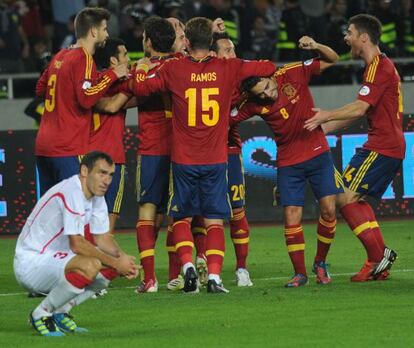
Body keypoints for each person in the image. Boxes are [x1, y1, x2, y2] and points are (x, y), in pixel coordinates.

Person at [129, 17, 276, 293]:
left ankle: (186, 268)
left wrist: (140, 69)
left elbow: (141, 88)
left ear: (185, 42)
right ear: (211, 43)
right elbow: (268, 67)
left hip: (183, 159)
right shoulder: (227, 67)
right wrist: (243, 70)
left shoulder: (174, 68)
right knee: (214, 220)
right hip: (215, 159)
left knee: (182, 218)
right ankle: (215, 278)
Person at [231, 36, 342, 287]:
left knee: (329, 210)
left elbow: (333, 59)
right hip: (288, 161)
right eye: (261, 94)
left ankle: (320, 263)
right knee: (292, 216)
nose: (268, 95)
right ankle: (300, 273)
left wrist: (316, 46)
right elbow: (226, 117)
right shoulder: (252, 103)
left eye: (268, 88)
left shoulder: (292, 73)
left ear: (271, 77)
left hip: (317, 151)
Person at [304, 14, 404, 282]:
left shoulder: (377, 67)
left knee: (345, 198)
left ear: (363, 37)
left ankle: (376, 257)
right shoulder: (377, 67)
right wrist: (325, 128)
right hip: (385, 144)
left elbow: (359, 107)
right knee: (351, 199)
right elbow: (361, 111)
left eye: (349, 33)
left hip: (382, 146)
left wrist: (326, 115)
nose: (346, 38)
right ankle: (379, 259)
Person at [14, 151, 138, 337]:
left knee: (111, 264)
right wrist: (115, 262)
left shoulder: (96, 195)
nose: (107, 180)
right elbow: (77, 244)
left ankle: (60, 311)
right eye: (101, 173)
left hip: (55, 259)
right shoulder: (71, 191)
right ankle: (41, 313)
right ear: (85, 171)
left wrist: (122, 259)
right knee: (91, 264)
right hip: (31, 262)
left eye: (110, 175)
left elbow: (102, 237)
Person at [35, 7, 128, 197]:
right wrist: (112, 74)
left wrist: (65, 95)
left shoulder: (60, 55)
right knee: (75, 212)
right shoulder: (84, 57)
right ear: (93, 31)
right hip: (67, 147)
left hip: (44, 147)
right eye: (104, 29)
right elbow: (86, 99)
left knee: (51, 214)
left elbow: (40, 89)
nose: (107, 34)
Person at [210, 32, 253, 287]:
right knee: (201, 215)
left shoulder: (240, 80)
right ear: (214, 53)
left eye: (234, 49)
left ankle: (241, 269)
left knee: (237, 210)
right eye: (228, 49)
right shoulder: (198, 75)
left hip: (229, 150)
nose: (233, 55)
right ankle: (199, 266)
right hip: (200, 154)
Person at [90, 38, 131, 235]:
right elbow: (113, 105)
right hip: (111, 160)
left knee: (90, 219)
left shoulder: (90, 83)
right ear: (114, 61)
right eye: (125, 55)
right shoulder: (117, 85)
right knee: (106, 221)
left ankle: (95, 264)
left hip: (88, 159)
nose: (129, 59)